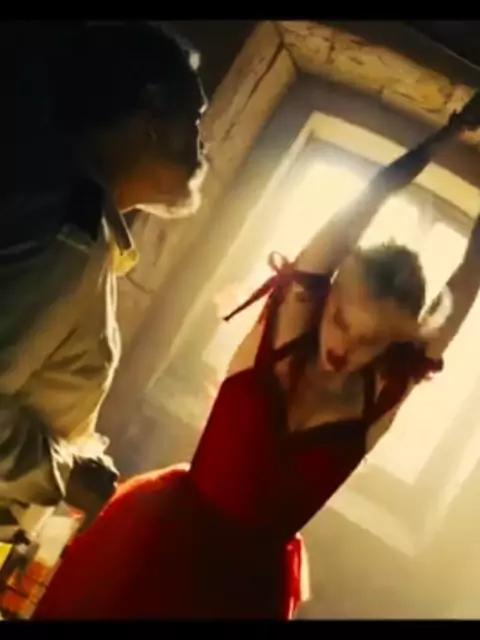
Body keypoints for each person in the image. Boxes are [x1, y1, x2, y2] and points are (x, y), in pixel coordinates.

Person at [33, 94, 480, 620]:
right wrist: (446, 137)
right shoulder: (285, 329)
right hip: (154, 549)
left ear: (394, 345)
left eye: (372, 341)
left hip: (245, 596)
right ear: (327, 296)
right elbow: (369, 199)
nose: (346, 348)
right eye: (341, 321)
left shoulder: (381, 393)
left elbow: (468, 280)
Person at [0, 22, 207, 533]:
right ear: (150, 115)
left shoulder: (84, 234)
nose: (202, 144)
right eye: (194, 118)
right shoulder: (66, 237)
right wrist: (68, 475)